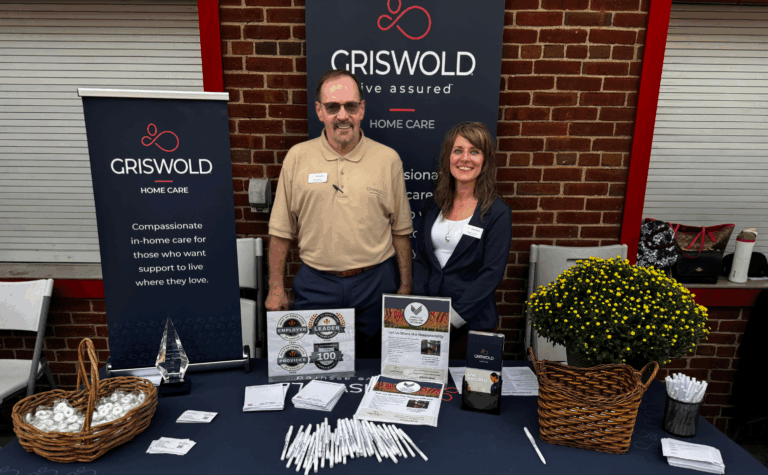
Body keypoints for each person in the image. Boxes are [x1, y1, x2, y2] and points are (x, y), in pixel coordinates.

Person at [266, 69, 413, 358]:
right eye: (333, 107)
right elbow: (281, 230)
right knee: (313, 369)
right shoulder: (297, 157)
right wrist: (275, 288)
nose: (342, 115)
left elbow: (401, 230)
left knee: (377, 366)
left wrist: (405, 286)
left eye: (351, 106)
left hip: (376, 284)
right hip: (316, 285)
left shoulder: (388, 159)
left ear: (362, 109)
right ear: (320, 111)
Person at [413, 122, 512, 359]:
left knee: (470, 394)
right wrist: (422, 309)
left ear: (485, 160)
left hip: (473, 325)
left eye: (474, 151)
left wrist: (451, 320)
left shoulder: (497, 212)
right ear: (448, 157)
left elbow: (491, 273)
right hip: (428, 321)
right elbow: (422, 261)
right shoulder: (433, 205)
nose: (465, 158)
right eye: (458, 150)